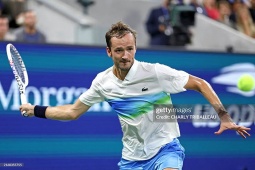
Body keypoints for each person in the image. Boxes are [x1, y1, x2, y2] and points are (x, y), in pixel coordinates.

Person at [20, 21, 250, 170]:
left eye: (130, 49)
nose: (125, 55)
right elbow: (71, 112)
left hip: (165, 150)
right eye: (119, 50)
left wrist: (224, 116)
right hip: (131, 159)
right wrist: (35, 110)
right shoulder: (103, 82)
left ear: (135, 48)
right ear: (109, 51)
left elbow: (200, 84)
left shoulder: (155, 72)